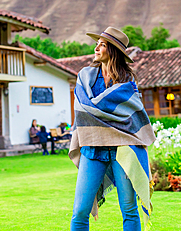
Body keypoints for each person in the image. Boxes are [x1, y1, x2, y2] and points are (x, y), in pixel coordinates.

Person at [69, 27, 156, 231]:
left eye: (103, 44)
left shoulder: (128, 82)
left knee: (129, 209)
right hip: (93, 149)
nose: (97, 47)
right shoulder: (86, 77)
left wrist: (98, 113)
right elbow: (83, 110)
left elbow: (133, 117)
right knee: (80, 211)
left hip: (124, 151)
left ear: (113, 50)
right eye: (97, 43)